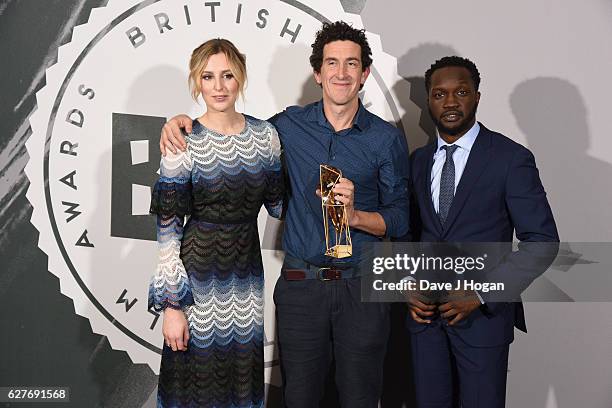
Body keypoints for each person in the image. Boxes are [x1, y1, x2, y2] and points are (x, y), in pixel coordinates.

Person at [160, 22, 410, 408]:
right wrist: (179, 122)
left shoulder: (386, 138)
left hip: (361, 287)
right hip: (301, 286)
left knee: (362, 397)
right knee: (300, 398)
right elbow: (231, 133)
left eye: (351, 64)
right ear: (317, 73)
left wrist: (356, 216)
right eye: (331, 63)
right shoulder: (283, 128)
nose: (340, 73)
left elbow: (400, 218)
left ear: (363, 74)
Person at [405, 56, 559, 407]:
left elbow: (542, 242)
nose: (451, 102)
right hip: (425, 323)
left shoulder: (510, 158)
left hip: (482, 323)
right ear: (428, 100)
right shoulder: (417, 161)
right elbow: (409, 236)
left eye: (461, 91)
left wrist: (481, 293)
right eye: (439, 94)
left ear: (476, 96)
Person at [148, 38, 283, 408]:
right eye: (208, 77)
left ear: (240, 77)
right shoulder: (183, 139)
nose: (219, 86)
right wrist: (173, 307)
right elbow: (168, 230)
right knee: (196, 380)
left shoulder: (265, 136)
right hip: (198, 277)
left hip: (247, 277)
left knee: (241, 378)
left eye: (227, 75)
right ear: (197, 82)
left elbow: (279, 206)